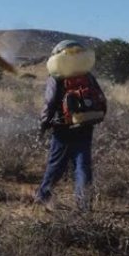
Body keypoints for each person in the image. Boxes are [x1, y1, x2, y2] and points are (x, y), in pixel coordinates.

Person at [35, 40, 106, 212]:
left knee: (56, 163)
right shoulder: (87, 75)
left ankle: (43, 194)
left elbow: (50, 102)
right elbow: (101, 98)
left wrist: (43, 124)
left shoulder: (56, 77)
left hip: (62, 127)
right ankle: (84, 206)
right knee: (82, 165)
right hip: (85, 124)